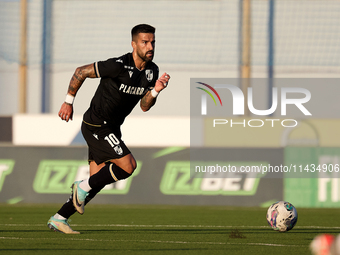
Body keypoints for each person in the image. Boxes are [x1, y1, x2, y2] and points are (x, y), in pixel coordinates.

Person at [47, 24, 170, 234]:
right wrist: (68, 101)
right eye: (145, 42)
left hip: (112, 128)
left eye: (153, 42)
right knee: (128, 166)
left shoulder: (152, 71)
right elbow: (81, 72)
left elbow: (144, 106)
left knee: (95, 182)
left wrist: (156, 91)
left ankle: (59, 218)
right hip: (96, 124)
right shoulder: (118, 65)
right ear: (134, 44)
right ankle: (81, 186)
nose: (150, 46)